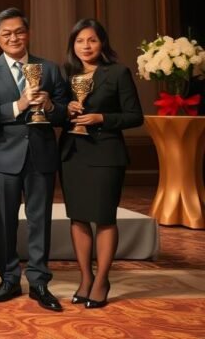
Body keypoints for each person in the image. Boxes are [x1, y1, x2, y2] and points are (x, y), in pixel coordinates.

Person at [0, 7, 67, 311]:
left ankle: (39, 281)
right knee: (4, 222)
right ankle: (8, 279)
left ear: (28, 33)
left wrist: (51, 105)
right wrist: (17, 105)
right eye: (7, 33)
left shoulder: (50, 68)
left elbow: (65, 108)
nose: (14, 37)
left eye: (19, 31)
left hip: (41, 156)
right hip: (2, 157)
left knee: (39, 220)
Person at [61, 18, 143, 309]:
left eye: (92, 40)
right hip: (73, 155)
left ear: (102, 43)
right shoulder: (66, 73)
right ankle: (85, 277)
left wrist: (102, 118)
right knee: (78, 218)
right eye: (80, 41)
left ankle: (102, 280)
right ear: (73, 44)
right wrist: (65, 109)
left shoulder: (118, 73)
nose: (86, 46)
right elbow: (56, 114)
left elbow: (135, 116)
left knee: (105, 218)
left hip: (106, 154)